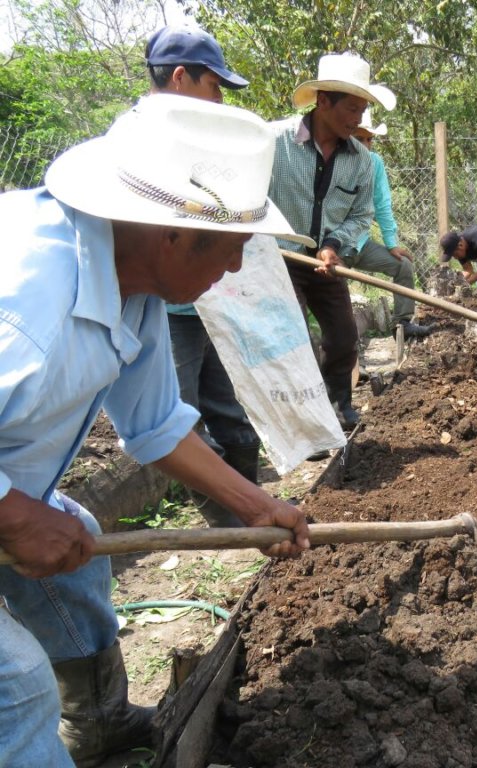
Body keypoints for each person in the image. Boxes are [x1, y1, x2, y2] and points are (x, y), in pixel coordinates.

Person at [0, 96, 312, 766]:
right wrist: (12, 513)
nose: (232, 269)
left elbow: (157, 428)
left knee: (78, 564)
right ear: (172, 235)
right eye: (230, 249)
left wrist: (259, 508)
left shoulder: (131, 282)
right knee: (15, 690)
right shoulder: (27, 303)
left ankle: (102, 724)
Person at [145, 25, 260, 526]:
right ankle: (230, 523)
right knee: (182, 411)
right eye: (214, 86)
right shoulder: (144, 144)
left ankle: (252, 508)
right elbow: (157, 429)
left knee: (226, 402)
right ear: (178, 77)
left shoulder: (203, 141)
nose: (219, 100)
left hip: (208, 298)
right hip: (165, 308)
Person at [270, 52, 396, 429]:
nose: (359, 120)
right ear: (323, 101)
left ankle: (337, 404)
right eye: (353, 109)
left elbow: (361, 215)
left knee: (343, 336)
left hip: (325, 262)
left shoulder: (360, 160)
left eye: (363, 110)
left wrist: (333, 245)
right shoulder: (276, 142)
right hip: (279, 256)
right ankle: (302, 423)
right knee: (292, 341)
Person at [349, 109, 434, 338]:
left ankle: (403, 325)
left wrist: (391, 243)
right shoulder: (336, 160)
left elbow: (383, 203)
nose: (366, 145)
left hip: (361, 242)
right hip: (333, 246)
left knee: (403, 265)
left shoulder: (375, 163)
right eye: (359, 139)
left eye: (370, 139)